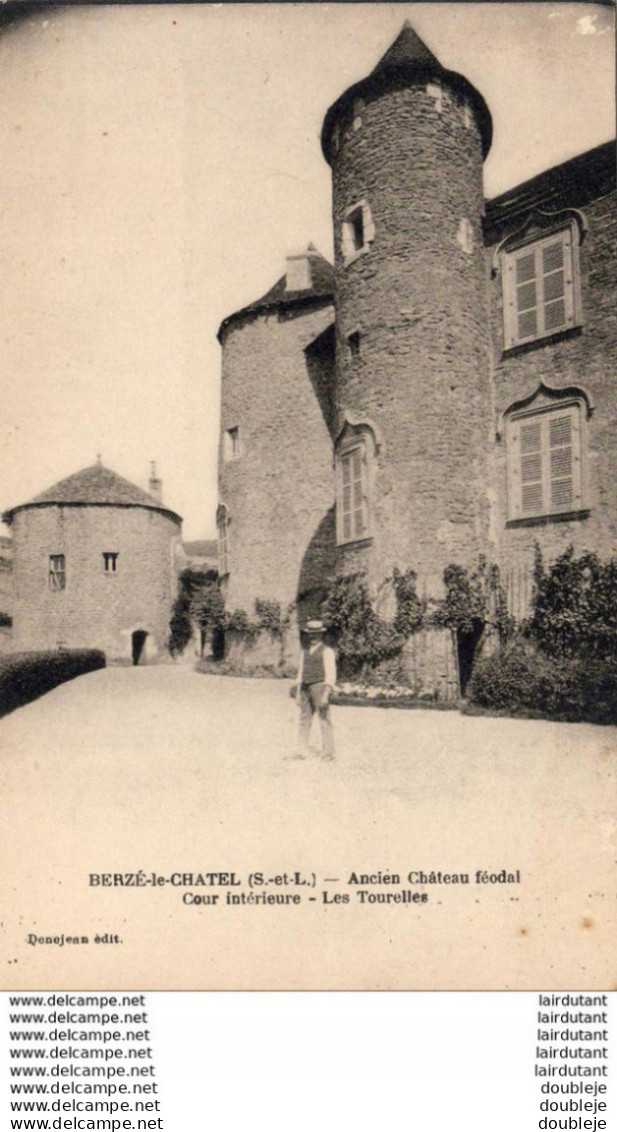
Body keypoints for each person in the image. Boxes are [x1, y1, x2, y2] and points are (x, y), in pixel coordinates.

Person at [293, 619, 336, 761]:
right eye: (311, 634)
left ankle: (328, 753)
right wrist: (299, 692)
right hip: (305, 686)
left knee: (324, 718)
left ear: (321, 635)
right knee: (304, 718)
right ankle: (301, 750)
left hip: (319, 686)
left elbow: (330, 674)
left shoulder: (327, 651)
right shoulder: (304, 651)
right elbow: (300, 672)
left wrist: (326, 695)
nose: (313, 637)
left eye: (316, 634)